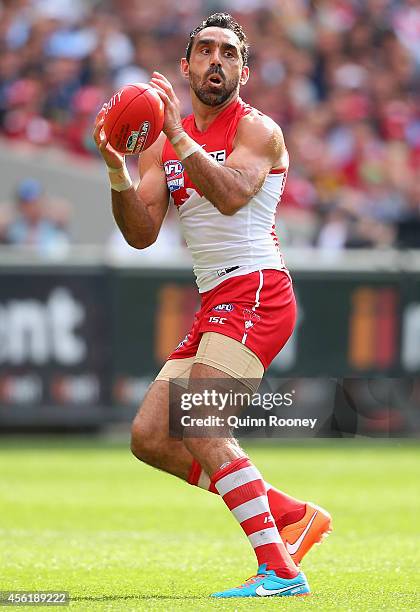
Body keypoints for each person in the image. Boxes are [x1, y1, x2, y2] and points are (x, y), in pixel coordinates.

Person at [94, 13, 331, 598]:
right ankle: (290, 514)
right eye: (205, 51)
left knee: (201, 421)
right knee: (150, 435)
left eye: (228, 53)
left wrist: (176, 135)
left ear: (243, 72)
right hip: (217, 298)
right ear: (186, 66)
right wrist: (118, 173)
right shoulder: (157, 143)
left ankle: (279, 570)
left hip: (257, 289)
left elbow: (228, 196)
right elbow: (141, 233)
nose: (216, 61)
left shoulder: (258, 130)